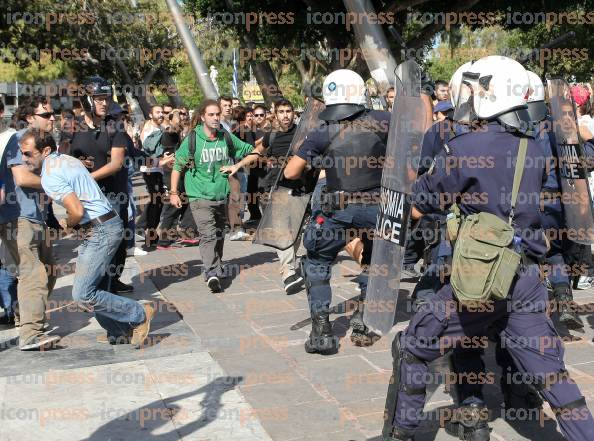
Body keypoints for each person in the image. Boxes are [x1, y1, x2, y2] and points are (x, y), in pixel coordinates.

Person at [382, 55, 594, 441]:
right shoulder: (534, 148)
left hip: (478, 278)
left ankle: (402, 433)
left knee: (415, 344)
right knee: (552, 376)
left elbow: (418, 204)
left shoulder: (464, 147)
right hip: (527, 276)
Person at [284, 69, 390, 353]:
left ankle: (322, 330)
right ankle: (365, 316)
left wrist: (315, 162)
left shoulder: (321, 130)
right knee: (375, 261)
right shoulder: (384, 121)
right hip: (377, 209)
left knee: (317, 262)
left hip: (336, 210)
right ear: (360, 93)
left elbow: (291, 171)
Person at [24, 128, 156, 347]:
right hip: (105, 225)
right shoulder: (65, 159)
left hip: (100, 230)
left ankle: (139, 313)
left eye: (28, 153)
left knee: (83, 294)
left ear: (45, 150)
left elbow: (75, 211)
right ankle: (119, 331)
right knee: (98, 287)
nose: (24, 158)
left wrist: (67, 225)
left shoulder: (50, 175)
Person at [169, 99, 266, 293]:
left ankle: (217, 265)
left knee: (219, 234)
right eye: (211, 114)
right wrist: (173, 192)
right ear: (203, 117)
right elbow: (177, 166)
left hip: (222, 194)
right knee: (208, 234)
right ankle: (211, 272)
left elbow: (253, 152)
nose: (215, 118)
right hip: (198, 195)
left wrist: (237, 165)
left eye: (217, 114)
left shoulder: (226, 137)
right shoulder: (192, 139)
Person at [0, 95, 59, 350]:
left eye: (52, 114)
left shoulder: (44, 142)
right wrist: (60, 186)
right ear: (29, 117)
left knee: (49, 271)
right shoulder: (19, 140)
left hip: (35, 216)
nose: (52, 118)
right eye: (46, 115)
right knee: (32, 273)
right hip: (18, 216)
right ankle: (31, 334)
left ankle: (23, 318)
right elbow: (22, 178)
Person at [70, 76, 133, 294]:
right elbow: (64, 157)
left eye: (106, 98)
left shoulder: (115, 126)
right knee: (94, 241)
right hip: (85, 196)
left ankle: (111, 282)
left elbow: (116, 163)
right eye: (98, 98)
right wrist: (77, 164)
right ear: (87, 100)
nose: (104, 103)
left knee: (115, 241)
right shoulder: (74, 127)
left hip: (113, 194)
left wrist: (88, 177)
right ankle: (95, 284)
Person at [258, 99, 304, 294]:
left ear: (294, 113)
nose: (285, 115)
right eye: (281, 111)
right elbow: (256, 151)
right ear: (275, 114)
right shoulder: (272, 135)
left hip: (300, 189)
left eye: (288, 111)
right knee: (282, 231)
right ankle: (287, 272)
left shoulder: (303, 134)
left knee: (296, 232)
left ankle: (291, 265)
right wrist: (238, 164)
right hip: (277, 189)